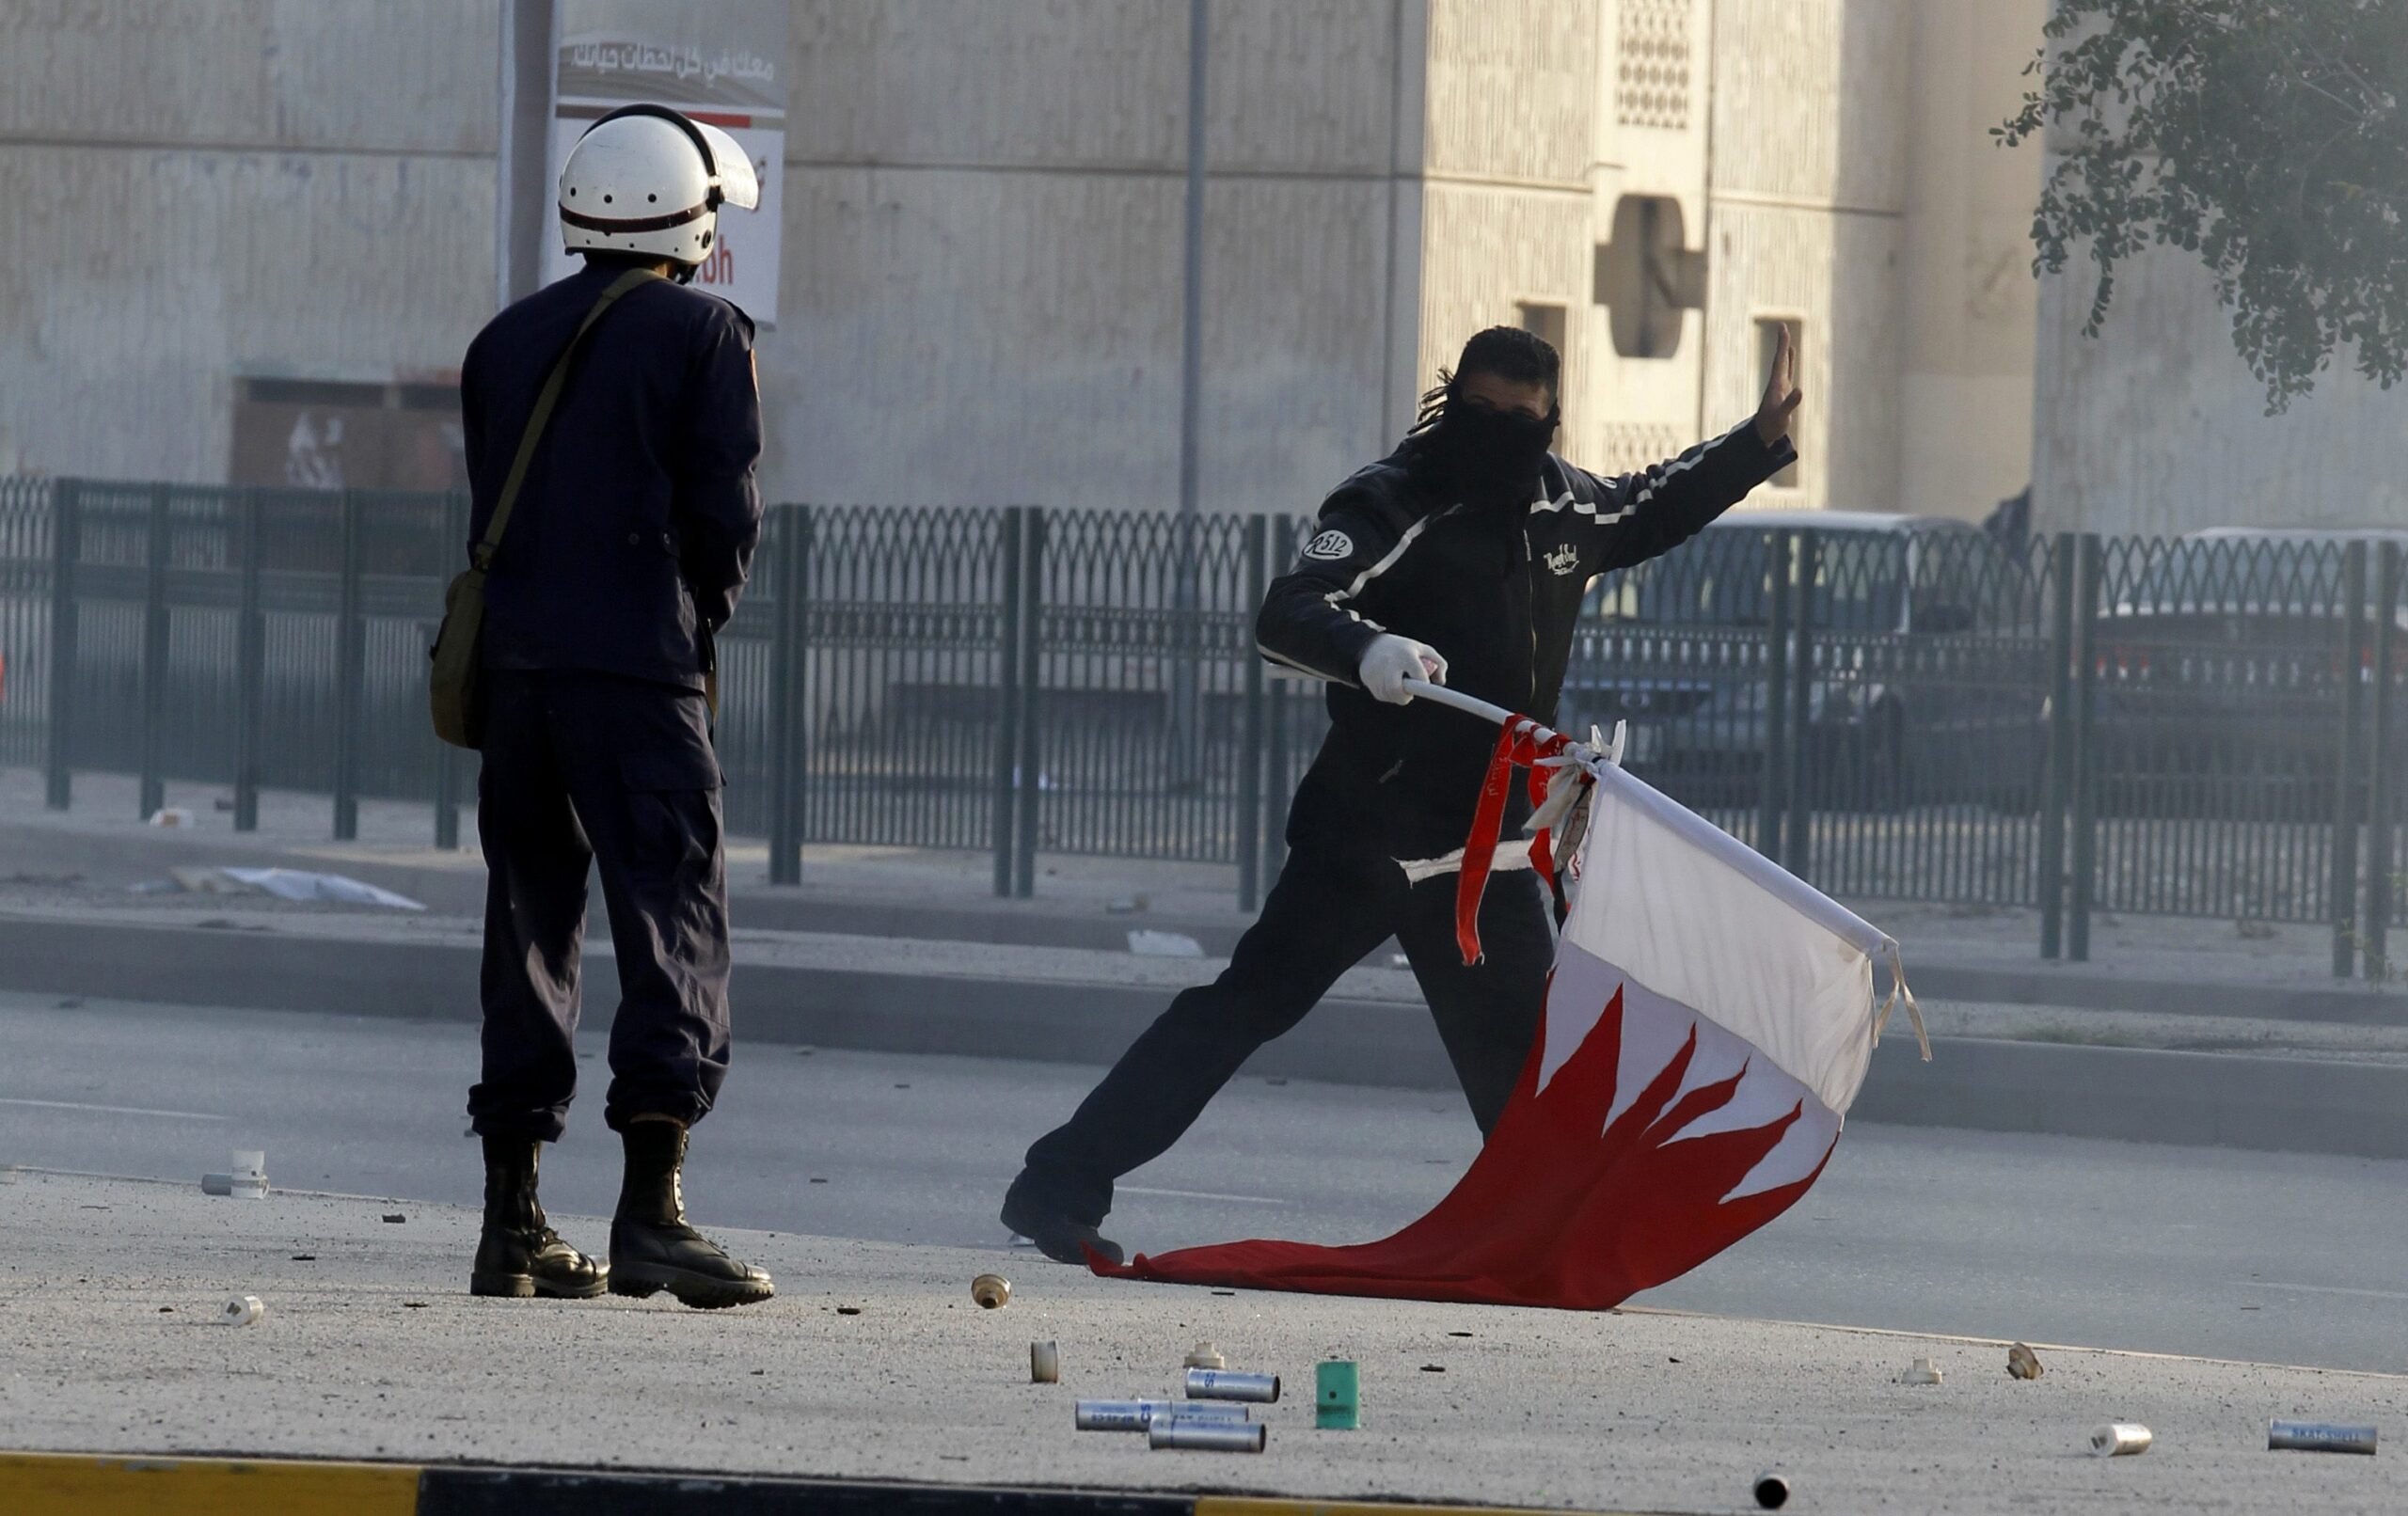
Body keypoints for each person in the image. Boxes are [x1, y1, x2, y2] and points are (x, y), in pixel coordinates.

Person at [1001, 324, 1803, 1264]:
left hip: (1487, 854)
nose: (1495, 431)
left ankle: (1540, 1244)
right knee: (1241, 1009)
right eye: (1478, 411)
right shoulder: (1391, 500)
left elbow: (1654, 501)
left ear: (1549, 422)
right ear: (1448, 398)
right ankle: (1055, 1187)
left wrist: (1757, 441)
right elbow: (1292, 607)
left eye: (1520, 419)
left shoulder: (1561, 509)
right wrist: (1365, 650)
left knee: (1520, 1061)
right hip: (1369, 838)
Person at [456, 104, 773, 1308]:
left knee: (528, 926)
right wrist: (697, 621)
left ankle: (512, 1225)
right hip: (638, 677)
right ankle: (652, 1215)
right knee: (671, 923)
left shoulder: (503, 340)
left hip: (519, 683)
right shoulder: (706, 335)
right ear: (687, 216)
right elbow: (724, 518)